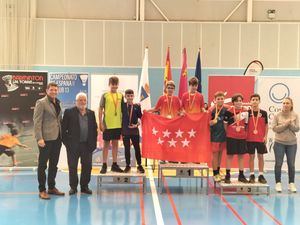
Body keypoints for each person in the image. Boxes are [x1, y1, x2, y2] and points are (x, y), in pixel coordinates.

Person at [62, 92, 98, 195]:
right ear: (76, 101)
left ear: (86, 101)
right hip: (73, 146)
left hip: (87, 146)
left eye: (84, 100)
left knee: (87, 166)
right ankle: (73, 187)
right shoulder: (69, 112)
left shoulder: (91, 113)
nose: (82, 102)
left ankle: (84, 187)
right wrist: (67, 144)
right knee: (72, 166)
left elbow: (94, 130)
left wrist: (93, 144)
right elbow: (63, 130)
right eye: (80, 100)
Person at [33, 82, 65, 200]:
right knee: (42, 165)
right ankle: (42, 190)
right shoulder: (41, 103)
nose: (54, 92)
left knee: (54, 165)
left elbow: (59, 120)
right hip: (45, 139)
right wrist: (39, 138)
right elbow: (37, 122)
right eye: (51, 90)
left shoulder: (58, 103)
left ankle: (51, 187)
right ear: (47, 90)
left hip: (57, 139)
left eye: (56, 90)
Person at [272, 97, 299, 193]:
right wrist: (285, 124)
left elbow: (297, 129)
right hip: (279, 143)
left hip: (292, 144)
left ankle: (291, 183)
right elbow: (274, 128)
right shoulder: (277, 115)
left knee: (291, 165)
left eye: (287, 103)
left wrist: (290, 124)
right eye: (284, 103)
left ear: (291, 105)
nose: (285, 105)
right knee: (278, 164)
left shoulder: (295, 115)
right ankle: (278, 183)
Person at [99, 76, 124, 174]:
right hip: (107, 124)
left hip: (117, 124)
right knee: (105, 145)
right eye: (112, 84)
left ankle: (114, 164)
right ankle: (104, 164)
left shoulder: (121, 96)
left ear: (118, 85)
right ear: (109, 84)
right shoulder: (105, 95)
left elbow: (123, 110)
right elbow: (100, 109)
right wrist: (101, 122)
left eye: (115, 84)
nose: (114, 86)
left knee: (115, 145)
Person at [223, 93, 249, 184]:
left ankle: (241, 175)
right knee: (230, 156)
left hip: (242, 137)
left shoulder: (245, 111)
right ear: (233, 102)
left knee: (241, 156)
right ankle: (227, 175)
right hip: (231, 136)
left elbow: (246, 124)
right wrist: (230, 132)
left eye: (240, 101)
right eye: (237, 101)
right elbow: (225, 124)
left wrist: (243, 133)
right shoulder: (229, 111)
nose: (239, 102)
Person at [246, 94, 268, 184]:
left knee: (260, 156)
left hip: (260, 139)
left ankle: (261, 175)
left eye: (256, 99)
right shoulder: (247, 113)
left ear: (259, 101)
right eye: (253, 99)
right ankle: (251, 174)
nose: (255, 101)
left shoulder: (264, 113)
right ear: (250, 101)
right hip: (250, 138)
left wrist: (265, 136)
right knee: (251, 157)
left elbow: (266, 125)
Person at [121, 89, 144, 173]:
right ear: (125, 96)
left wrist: (137, 125)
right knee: (127, 149)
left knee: (137, 148)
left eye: (131, 96)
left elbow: (141, 118)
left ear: (133, 96)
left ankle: (139, 165)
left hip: (134, 131)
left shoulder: (137, 106)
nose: (130, 97)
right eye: (128, 96)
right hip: (125, 131)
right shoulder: (122, 106)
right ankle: (128, 165)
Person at [209, 91, 227, 182]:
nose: (220, 100)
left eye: (222, 98)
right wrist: (212, 122)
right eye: (218, 99)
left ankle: (218, 172)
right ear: (215, 100)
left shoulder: (226, 109)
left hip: (223, 135)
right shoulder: (211, 110)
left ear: (224, 99)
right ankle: (215, 173)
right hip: (214, 135)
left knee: (220, 154)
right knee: (215, 155)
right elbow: (206, 123)